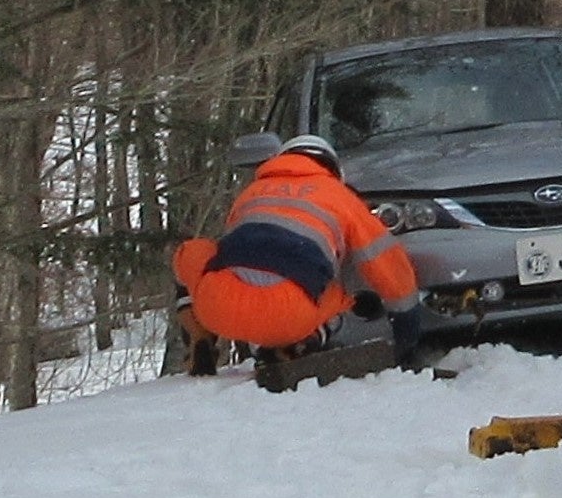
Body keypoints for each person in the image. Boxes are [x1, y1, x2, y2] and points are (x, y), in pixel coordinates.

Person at [171, 133, 423, 370]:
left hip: (219, 309)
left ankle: (199, 338)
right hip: (289, 315)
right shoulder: (341, 196)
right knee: (342, 288)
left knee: (191, 252)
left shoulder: (249, 194)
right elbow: (390, 267)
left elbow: (230, 255)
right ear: (333, 169)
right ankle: (302, 342)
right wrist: (407, 336)